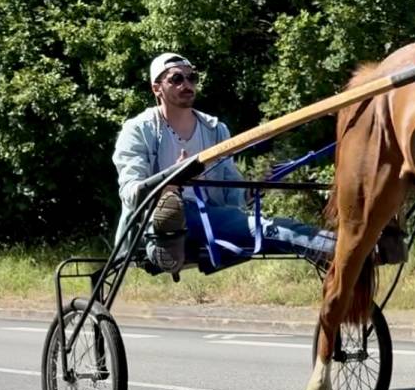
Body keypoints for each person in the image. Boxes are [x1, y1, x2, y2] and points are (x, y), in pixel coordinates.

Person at [113, 52, 337, 273]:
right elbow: (131, 193)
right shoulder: (138, 130)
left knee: (273, 228)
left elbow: (232, 196)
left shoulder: (215, 129)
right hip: (151, 220)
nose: (186, 84)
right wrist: (174, 181)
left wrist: (256, 187)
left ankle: (345, 247)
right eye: (176, 79)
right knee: (171, 214)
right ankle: (166, 240)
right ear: (157, 88)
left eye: (192, 78)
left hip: (209, 217)